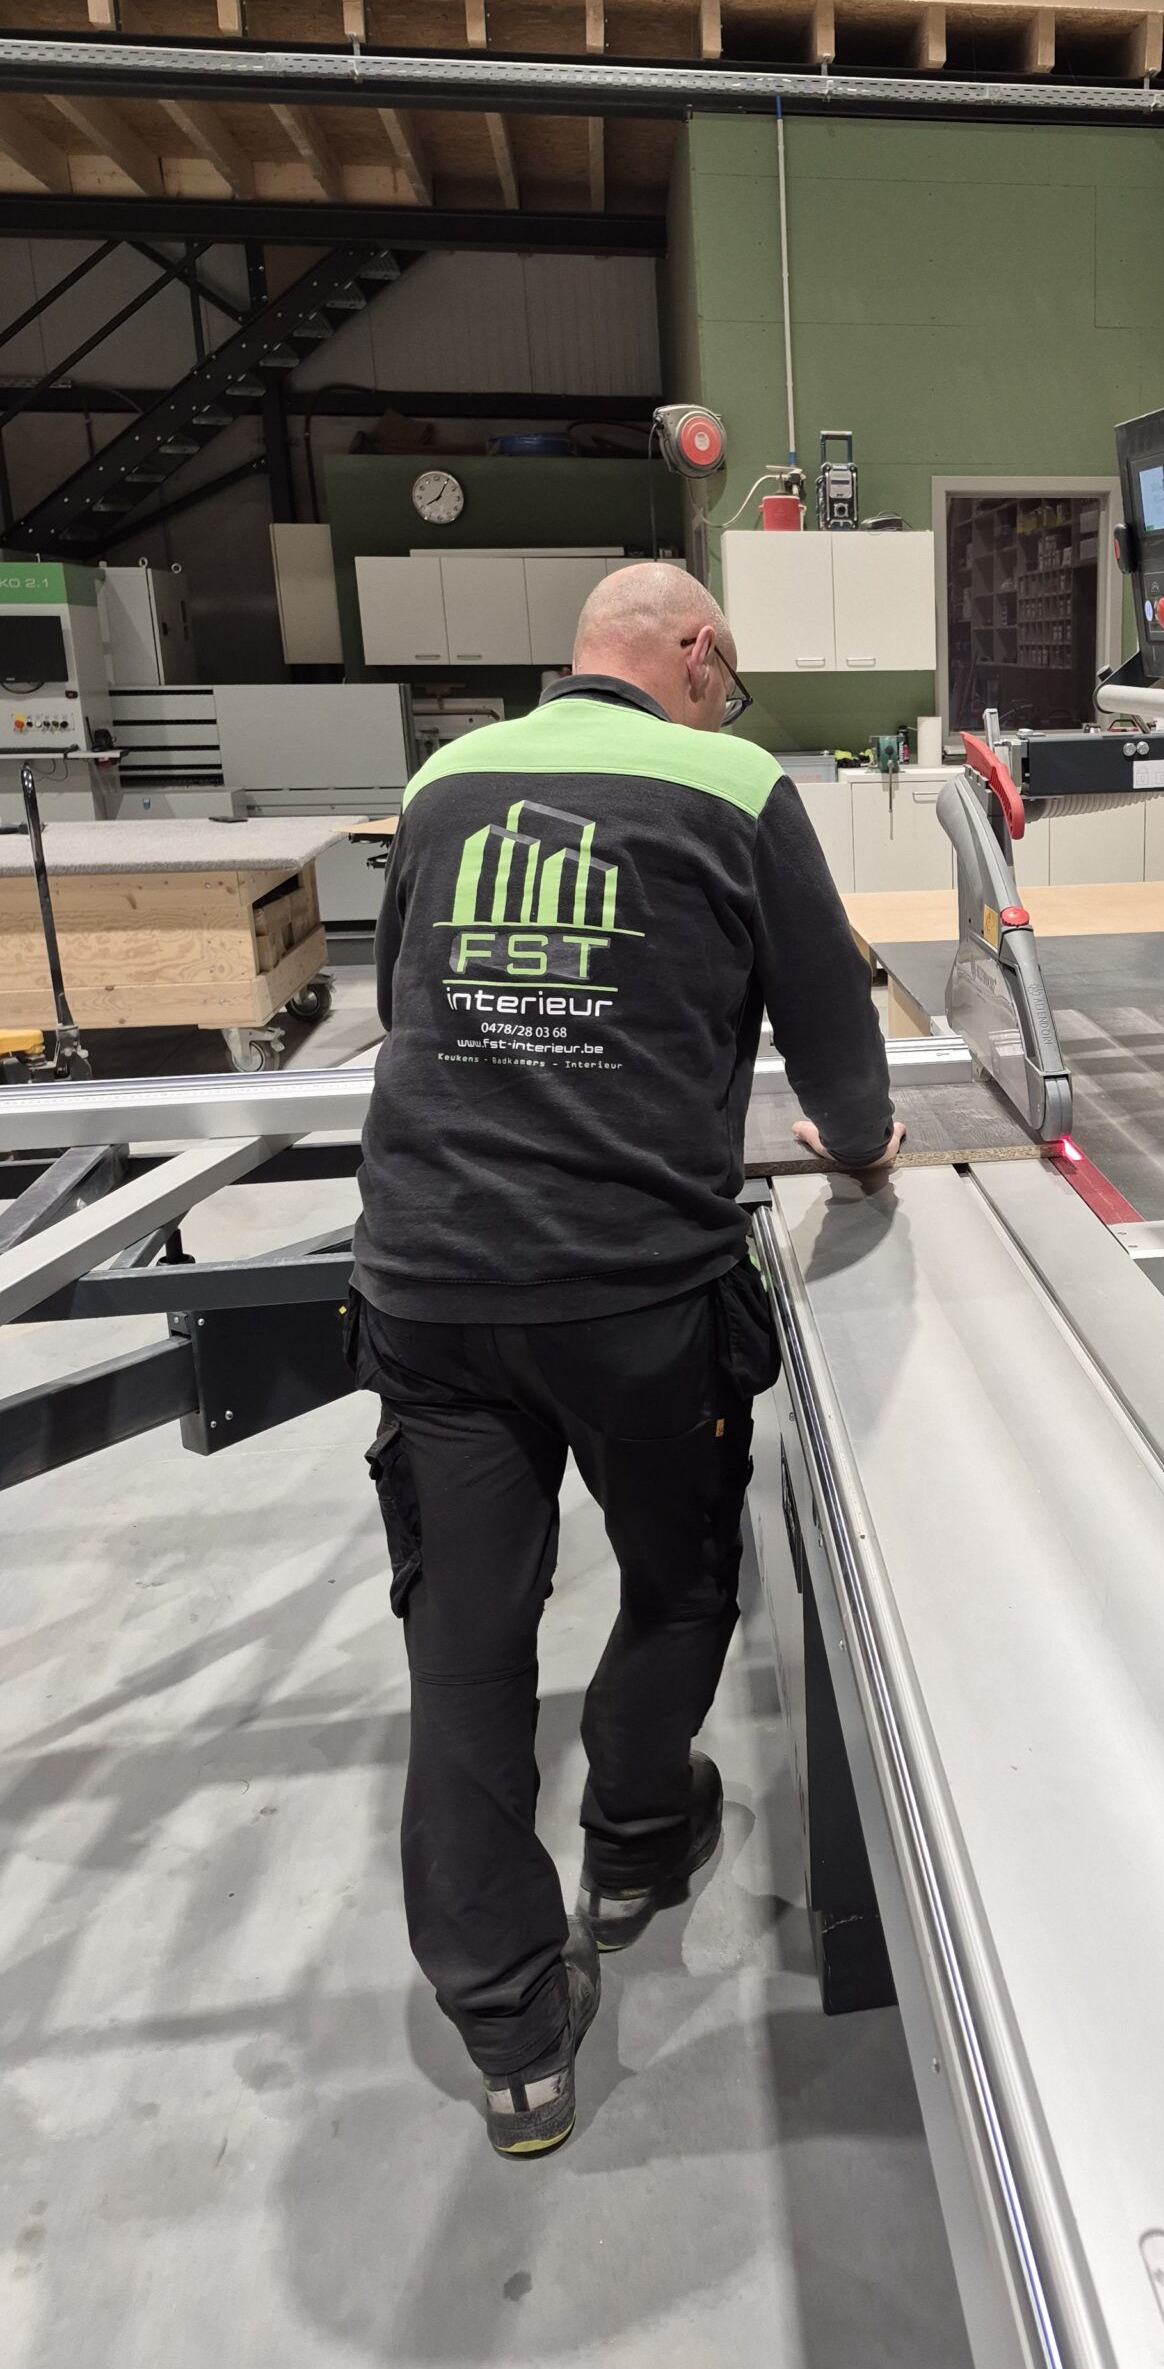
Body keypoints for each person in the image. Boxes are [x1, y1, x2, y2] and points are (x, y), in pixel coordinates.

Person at [349, 561, 902, 2157]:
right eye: (732, 678)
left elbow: (401, 999)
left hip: (430, 1283)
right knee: (680, 1577)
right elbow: (832, 1035)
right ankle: (639, 1840)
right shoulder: (737, 787)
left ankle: (515, 2034)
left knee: (464, 1655)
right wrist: (862, 1148)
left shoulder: (448, 779)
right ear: (700, 652)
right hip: (630, 1292)